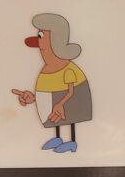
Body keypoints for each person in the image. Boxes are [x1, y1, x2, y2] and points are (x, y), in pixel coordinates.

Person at [11, 13, 92, 153]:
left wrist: (60, 104)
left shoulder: (67, 69)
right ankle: (58, 138)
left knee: (69, 117)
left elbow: (71, 92)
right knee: (55, 118)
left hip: (70, 100)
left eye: (41, 36)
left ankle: (72, 141)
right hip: (57, 100)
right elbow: (47, 96)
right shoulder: (47, 70)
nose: (38, 44)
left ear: (55, 41)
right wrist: (33, 98)